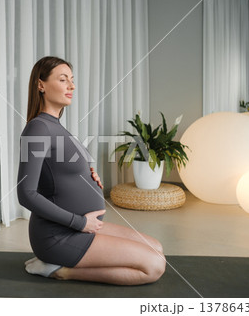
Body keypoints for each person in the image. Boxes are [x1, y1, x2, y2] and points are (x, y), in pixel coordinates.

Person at [17, 56, 166, 285]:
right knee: (154, 266)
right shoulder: (38, 128)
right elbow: (26, 193)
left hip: (82, 228)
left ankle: (57, 263)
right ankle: (58, 270)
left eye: (72, 80)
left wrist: (86, 176)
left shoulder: (56, 127)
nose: (72, 86)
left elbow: (57, 172)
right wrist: (80, 222)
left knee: (156, 247)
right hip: (59, 235)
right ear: (41, 85)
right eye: (63, 79)